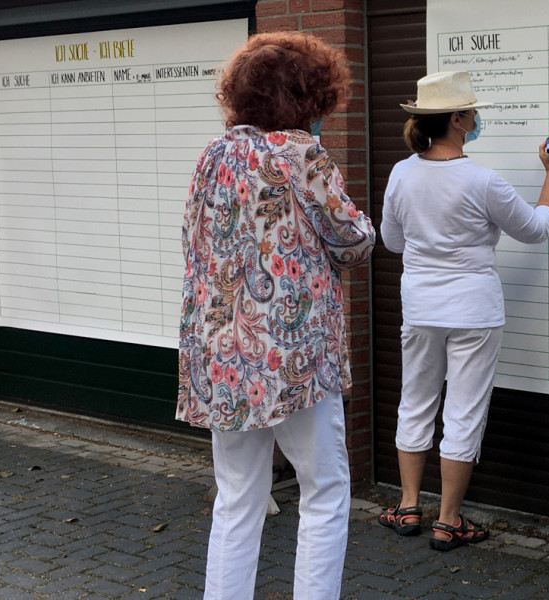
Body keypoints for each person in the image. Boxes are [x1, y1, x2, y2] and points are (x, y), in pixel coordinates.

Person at [177, 32, 375, 600]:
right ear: (307, 98)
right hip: (294, 357)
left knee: (237, 495)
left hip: (223, 355)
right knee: (326, 487)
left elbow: (196, 248)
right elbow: (354, 241)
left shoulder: (210, 158)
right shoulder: (299, 154)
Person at [377, 71, 549, 551]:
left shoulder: (402, 173)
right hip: (474, 311)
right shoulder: (483, 181)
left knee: (415, 402)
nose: (477, 117)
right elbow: (536, 229)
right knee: (463, 412)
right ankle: (449, 520)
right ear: (459, 120)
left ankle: (406, 506)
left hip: (420, 307)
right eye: (473, 111)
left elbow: (392, 241)